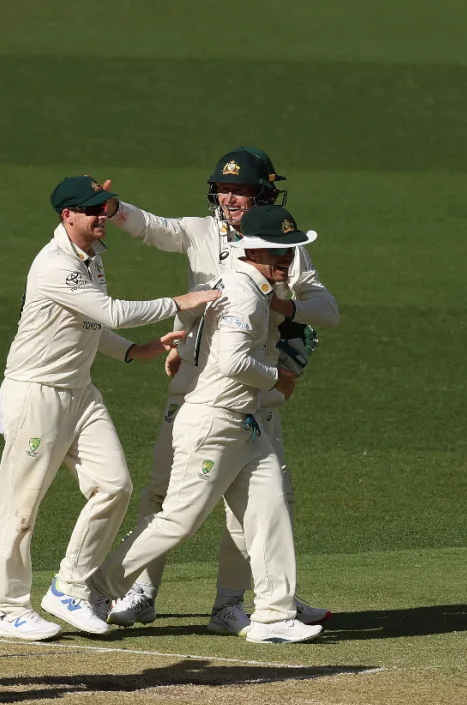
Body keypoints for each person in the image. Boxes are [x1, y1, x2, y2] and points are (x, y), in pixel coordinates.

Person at [103, 147, 339, 634]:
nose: (231, 198)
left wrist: (284, 310)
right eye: (225, 189)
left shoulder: (281, 245)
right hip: (200, 385)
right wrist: (114, 211)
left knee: (263, 499)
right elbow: (152, 228)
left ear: (264, 195)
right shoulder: (202, 232)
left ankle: (236, 604)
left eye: (242, 190)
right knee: (166, 496)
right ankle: (134, 590)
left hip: (252, 392)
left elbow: (326, 309)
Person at [0, 176, 221, 641]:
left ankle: (70, 587)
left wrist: (135, 351)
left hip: (79, 391)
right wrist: (181, 301)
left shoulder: (91, 257)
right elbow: (109, 312)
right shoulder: (55, 265)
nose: (102, 218)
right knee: (21, 507)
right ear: (67, 215)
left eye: (104, 208)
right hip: (37, 393)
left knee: (115, 486)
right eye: (92, 210)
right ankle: (10, 608)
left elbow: (90, 326)